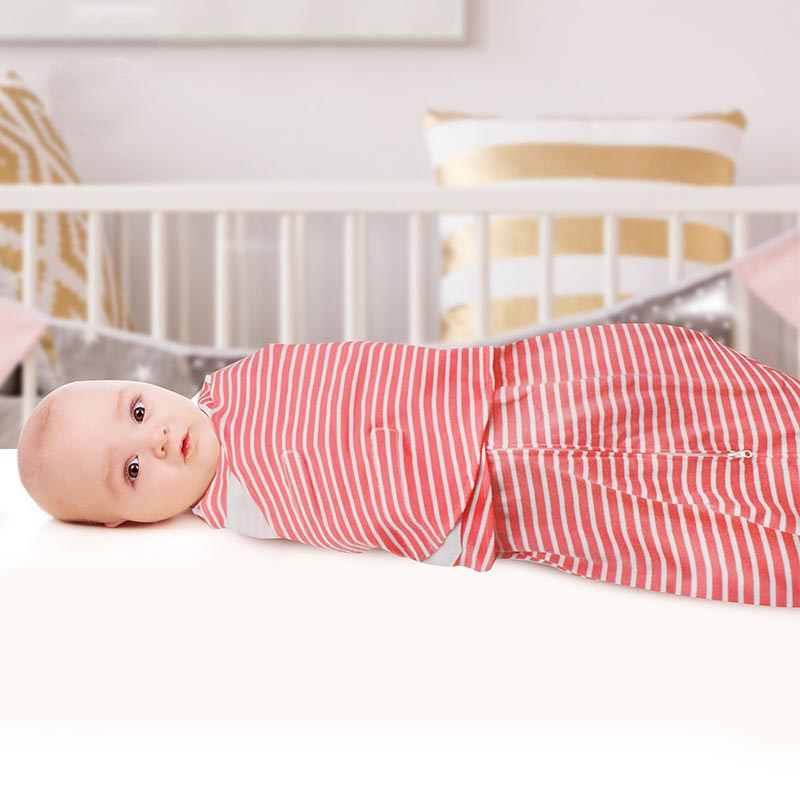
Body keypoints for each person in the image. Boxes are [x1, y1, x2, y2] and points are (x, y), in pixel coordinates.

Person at [17, 322, 800, 608]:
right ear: (122, 521)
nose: (155, 441)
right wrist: (454, 529)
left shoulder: (249, 374)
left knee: (658, 384)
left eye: (138, 412)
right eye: (131, 472)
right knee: (666, 512)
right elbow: (361, 509)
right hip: (501, 487)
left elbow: (371, 368)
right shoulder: (240, 506)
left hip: (512, 385)